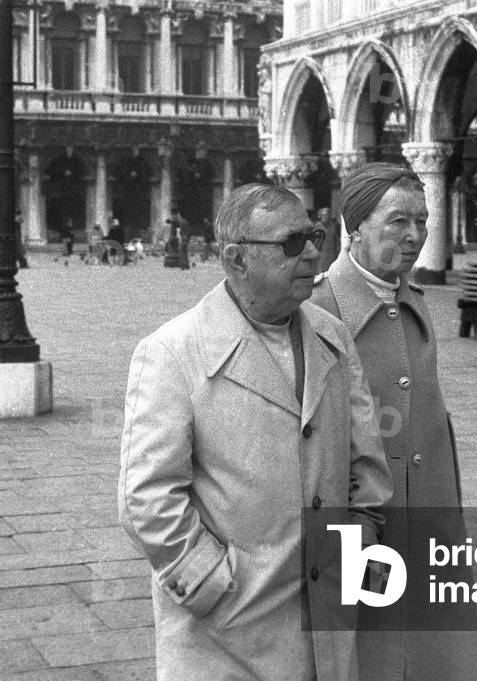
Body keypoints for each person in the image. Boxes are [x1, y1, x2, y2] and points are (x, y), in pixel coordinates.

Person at [118, 183, 392, 681]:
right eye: (291, 244)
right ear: (235, 259)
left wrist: (361, 539)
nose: (312, 252)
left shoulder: (331, 335)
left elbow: (365, 459)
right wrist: (212, 585)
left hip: (325, 617)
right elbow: (147, 498)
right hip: (226, 633)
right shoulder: (172, 352)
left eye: (313, 235)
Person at [309, 162, 477, 681]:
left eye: (422, 221)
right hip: (360, 521)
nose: (414, 236)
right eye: (397, 221)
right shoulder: (317, 309)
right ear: (355, 226)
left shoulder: (414, 301)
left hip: (428, 513)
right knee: (367, 649)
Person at [314, 207, 342, 273]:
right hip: (320, 254)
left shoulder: (333, 226)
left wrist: (339, 252)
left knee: (330, 273)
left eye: (328, 215)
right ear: (320, 216)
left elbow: (337, 241)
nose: (326, 217)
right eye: (324, 215)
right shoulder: (316, 227)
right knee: (320, 272)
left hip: (331, 254)